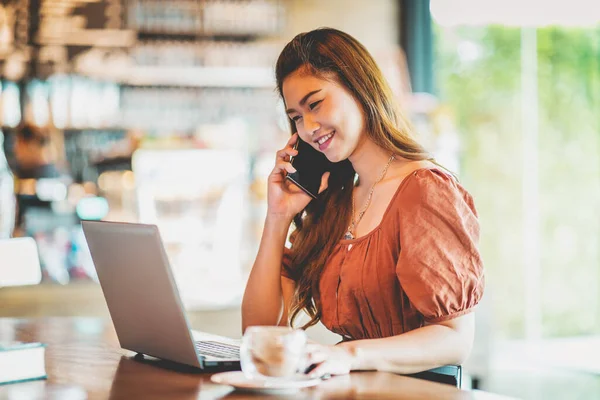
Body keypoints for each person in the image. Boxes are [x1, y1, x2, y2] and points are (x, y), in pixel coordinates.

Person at [242, 28, 484, 379]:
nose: (308, 127)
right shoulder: (337, 200)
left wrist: (350, 354)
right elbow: (257, 333)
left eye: (315, 104)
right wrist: (277, 216)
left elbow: (456, 339)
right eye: (295, 117)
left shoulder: (425, 190)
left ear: (359, 87)